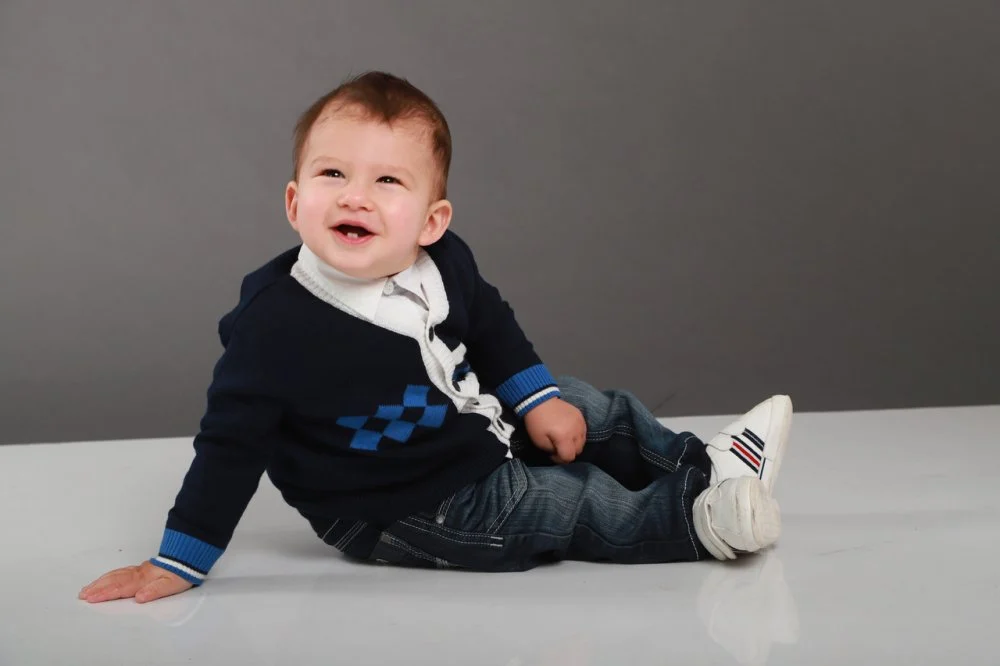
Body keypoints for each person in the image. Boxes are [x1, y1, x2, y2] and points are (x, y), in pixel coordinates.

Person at [80, 71, 792, 605]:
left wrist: (535, 399)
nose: (355, 195)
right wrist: (181, 557)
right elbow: (228, 448)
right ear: (295, 203)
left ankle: (705, 463)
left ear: (431, 221)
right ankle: (701, 519)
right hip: (401, 505)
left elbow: (491, 326)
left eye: (388, 180)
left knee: (580, 403)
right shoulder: (277, 326)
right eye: (333, 174)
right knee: (560, 502)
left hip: (466, 423)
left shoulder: (445, 264)